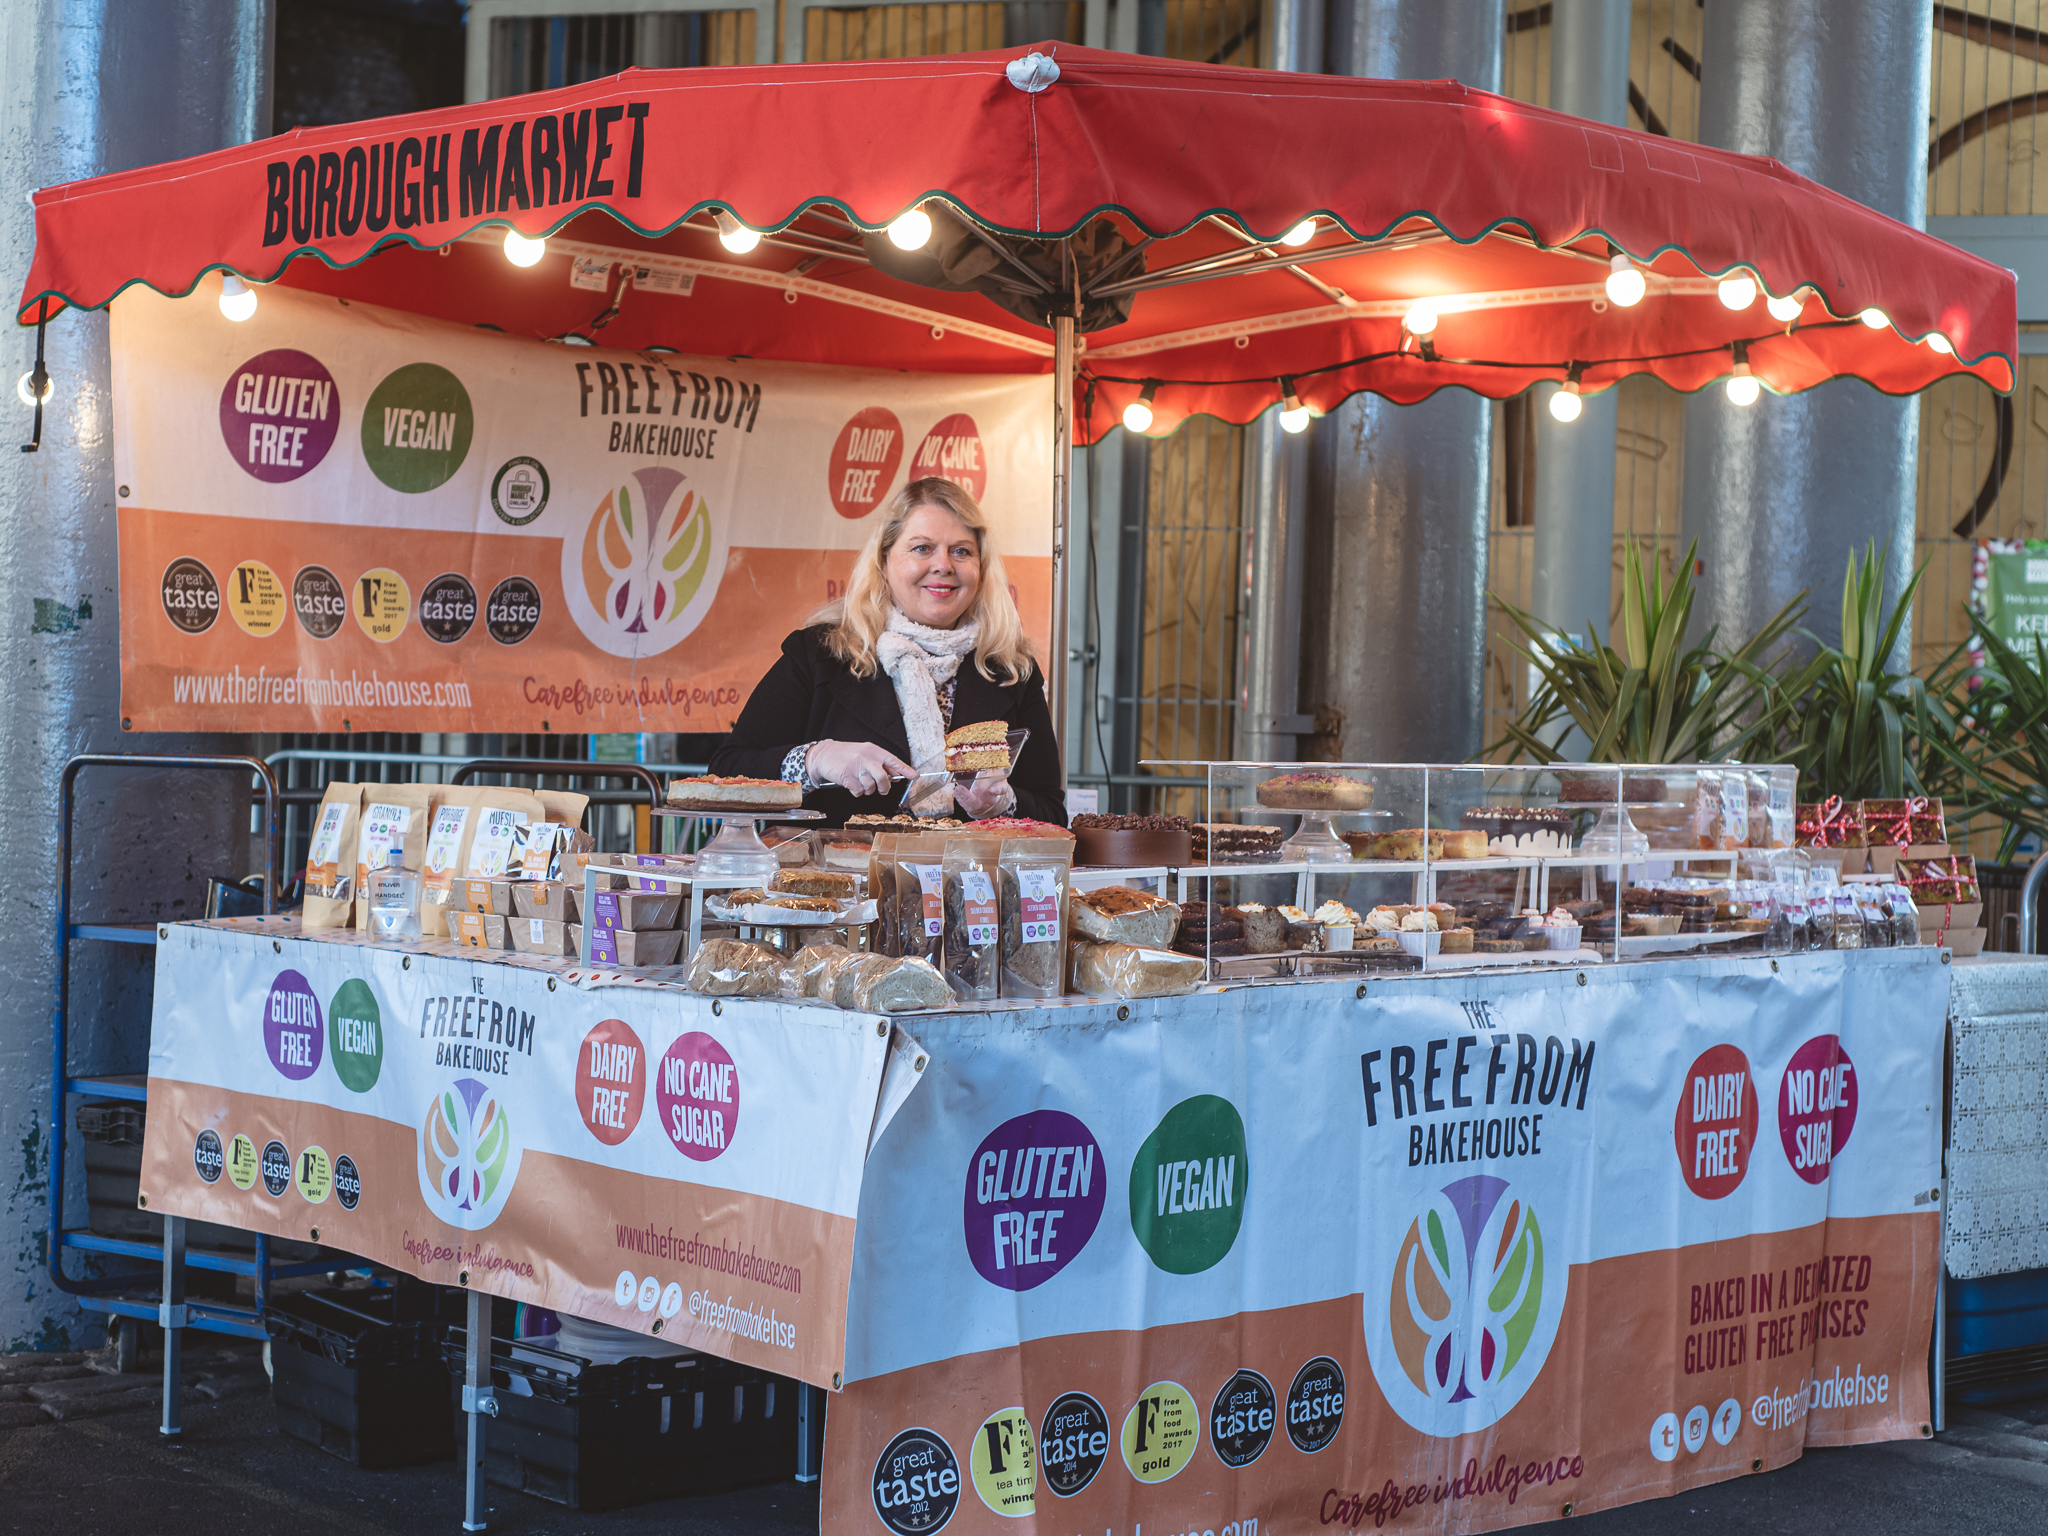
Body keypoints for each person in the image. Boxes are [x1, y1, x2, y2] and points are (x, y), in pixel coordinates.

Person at [711, 476, 1066, 826]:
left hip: (965, 881)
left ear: (981, 567)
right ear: (884, 562)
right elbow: (727, 772)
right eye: (922, 548)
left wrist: (1004, 804)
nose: (943, 565)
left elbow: (1051, 812)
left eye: (961, 551)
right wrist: (814, 760)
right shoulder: (820, 654)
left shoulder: (1010, 669)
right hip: (837, 878)